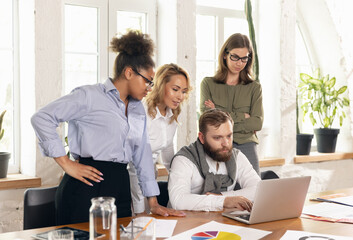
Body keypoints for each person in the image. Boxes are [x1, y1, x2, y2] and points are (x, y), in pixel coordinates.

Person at [31, 30, 185, 225]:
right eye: (147, 80)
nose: (150, 87)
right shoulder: (89, 96)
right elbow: (42, 117)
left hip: (120, 186)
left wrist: (152, 201)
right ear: (129, 72)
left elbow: (142, 153)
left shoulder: (138, 109)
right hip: (85, 186)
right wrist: (66, 164)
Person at [168, 108, 261, 211]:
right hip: (186, 223)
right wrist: (224, 201)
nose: (226, 143)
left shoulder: (237, 156)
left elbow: (258, 189)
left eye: (229, 136)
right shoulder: (183, 160)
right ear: (202, 138)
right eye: (217, 138)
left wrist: (222, 196)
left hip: (220, 221)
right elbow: (179, 201)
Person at [129, 63, 191, 214]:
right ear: (160, 86)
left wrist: (179, 179)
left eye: (183, 91)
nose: (180, 96)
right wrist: (139, 207)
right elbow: (134, 164)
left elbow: (168, 151)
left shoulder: (172, 114)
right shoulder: (141, 110)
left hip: (150, 180)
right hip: (130, 180)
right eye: (175, 89)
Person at [200, 33, 264, 175]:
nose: (239, 63)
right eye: (235, 57)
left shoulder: (254, 87)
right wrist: (243, 117)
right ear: (225, 55)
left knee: (254, 191)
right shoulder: (208, 84)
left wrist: (218, 110)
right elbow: (207, 120)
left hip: (246, 144)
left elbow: (257, 123)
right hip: (216, 145)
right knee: (218, 191)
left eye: (244, 59)